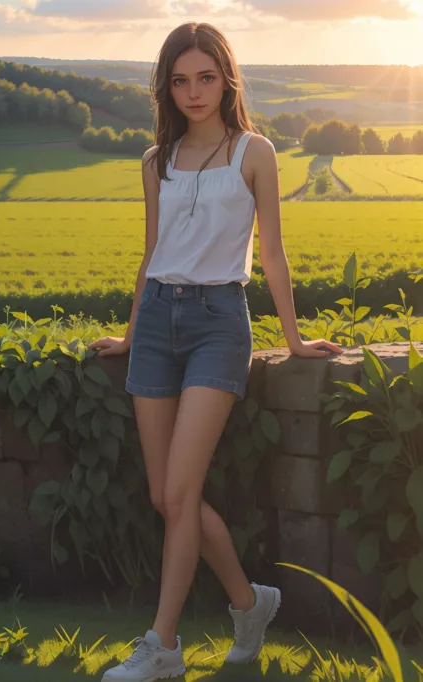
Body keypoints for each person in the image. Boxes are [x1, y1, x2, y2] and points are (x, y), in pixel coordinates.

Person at [88, 21, 343, 682]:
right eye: (180, 80)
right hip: (157, 326)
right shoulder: (155, 161)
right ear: (166, 87)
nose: (193, 92)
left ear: (227, 79)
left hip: (218, 323)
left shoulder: (254, 152)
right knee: (165, 496)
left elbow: (274, 255)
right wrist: (128, 331)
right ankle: (249, 603)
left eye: (205, 77)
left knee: (181, 489)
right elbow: (151, 257)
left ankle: (162, 647)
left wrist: (291, 339)